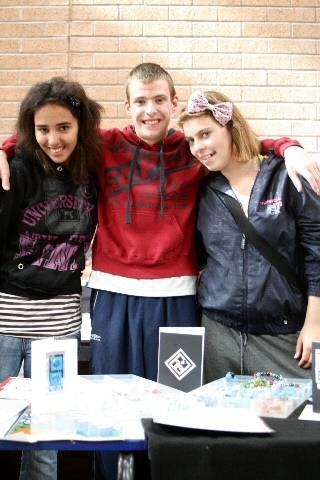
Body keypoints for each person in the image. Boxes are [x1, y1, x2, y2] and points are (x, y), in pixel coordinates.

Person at [0, 63, 316, 480]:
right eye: (141, 102)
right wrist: (3, 148)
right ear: (126, 106)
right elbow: (44, 135)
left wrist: (289, 146)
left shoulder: (191, 147)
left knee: (175, 409)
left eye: (159, 100)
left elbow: (244, 142)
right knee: (109, 410)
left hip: (178, 300)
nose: (150, 110)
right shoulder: (105, 145)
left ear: (173, 103)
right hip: (114, 296)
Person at [178, 89, 320, 383]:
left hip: (284, 338)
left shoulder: (287, 177)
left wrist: (314, 324)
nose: (198, 147)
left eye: (205, 134)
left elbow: (316, 253)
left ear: (231, 128)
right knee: (218, 426)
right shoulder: (205, 191)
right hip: (218, 334)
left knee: (296, 426)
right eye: (191, 140)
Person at [0, 77, 102, 480]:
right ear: (31, 128)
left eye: (63, 127)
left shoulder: (92, 170)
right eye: (43, 129)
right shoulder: (17, 169)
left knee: (48, 430)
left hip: (60, 321)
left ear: (81, 126)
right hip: (6, 317)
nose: (53, 139)